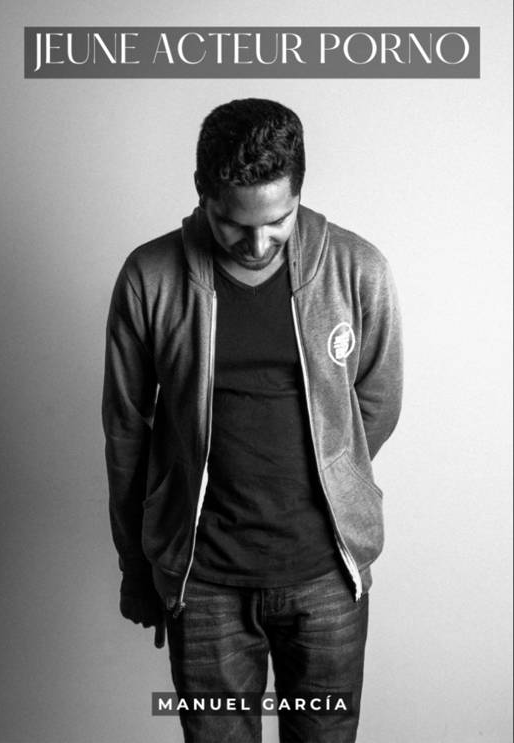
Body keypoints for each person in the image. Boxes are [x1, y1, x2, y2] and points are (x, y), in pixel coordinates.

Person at [102, 98, 403, 743]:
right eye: (234, 224)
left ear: (299, 192)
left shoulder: (358, 269)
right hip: (203, 581)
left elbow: (376, 403)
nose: (258, 244)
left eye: (279, 221)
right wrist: (135, 566)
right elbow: (127, 430)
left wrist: (333, 474)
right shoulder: (150, 277)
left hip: (327, 575)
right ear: (202, 192)